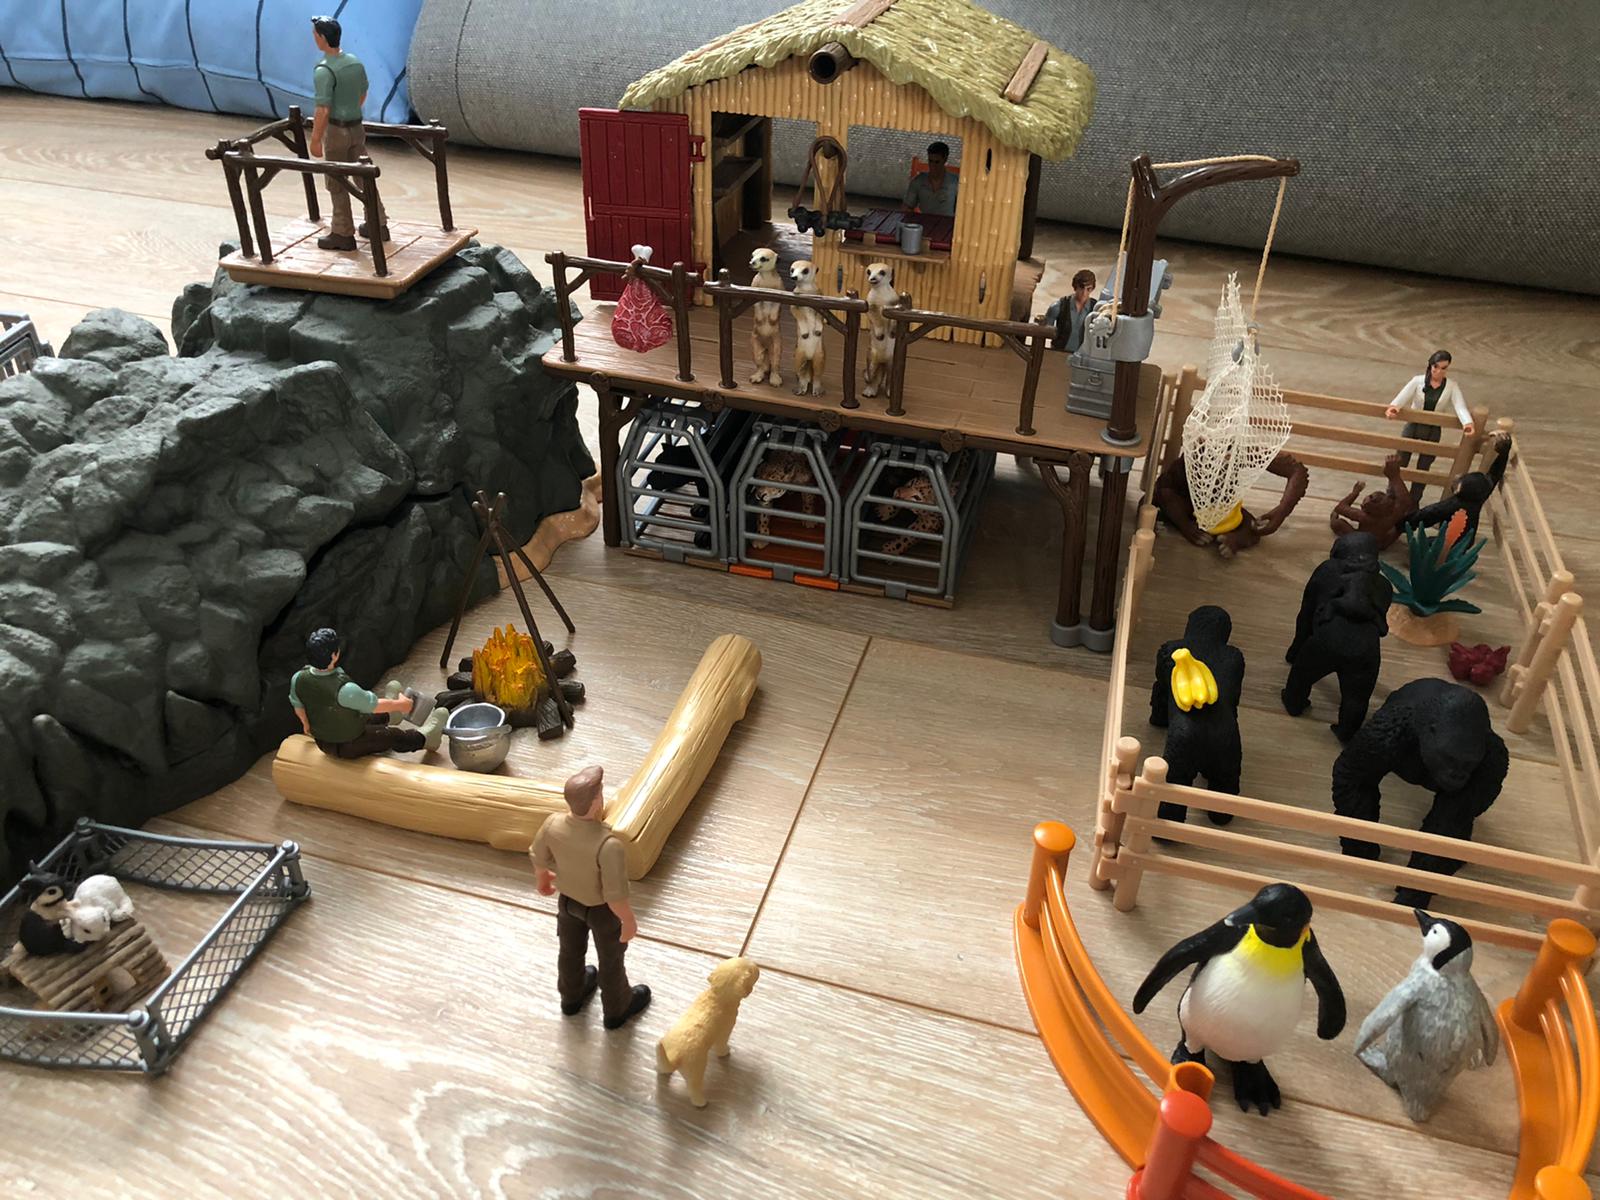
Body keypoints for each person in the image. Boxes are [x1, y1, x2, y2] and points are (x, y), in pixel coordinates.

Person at [530, 766, 653, 1029]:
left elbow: (538, 856)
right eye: (601, 794)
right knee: (611, 959)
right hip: (602, 912)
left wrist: (543, 881)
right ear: (597, 801)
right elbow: (615, 894)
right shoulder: (608, 845)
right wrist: (628, 920)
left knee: (569, 951)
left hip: (567, 903)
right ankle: (617, 1008)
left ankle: (571, 996)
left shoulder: (552, 824)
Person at [289, 627, 447, 759]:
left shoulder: (298, 678)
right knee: (392, 735)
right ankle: (426, 738)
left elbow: (298, 705)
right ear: (334, 655)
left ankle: (392, 715)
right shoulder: (345, 690)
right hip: (348, 745)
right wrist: (401, 704)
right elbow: (375, 705)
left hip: (323, 741)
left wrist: (306, 724)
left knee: (362, 715)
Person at [308, 16, 387, 251]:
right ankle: (378, 223)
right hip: (356, 127)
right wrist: (351, 110)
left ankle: (342, 232)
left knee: (336, 180)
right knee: (363, 176)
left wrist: (315, 139)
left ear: (323, 38)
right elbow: (363, 93)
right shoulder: (354, 62)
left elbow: (323, 109)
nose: (314, 38)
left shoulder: (323, 70)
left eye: (315, 35)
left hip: (336, 130)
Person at [1385, 350, 1472, 504]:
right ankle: (1391, 496)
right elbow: (1402, 396)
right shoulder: (1417, 381)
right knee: (1400, 460)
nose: (1439, 371)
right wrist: (1394, 408)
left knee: (1424, 466)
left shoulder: (1451, 386)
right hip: (1413, 424)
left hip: (1433, 429)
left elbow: (1460, 406)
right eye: (1436, 367)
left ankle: (1414, 501)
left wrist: (1467, 423)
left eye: (1443, 368)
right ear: (1431, 366)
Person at [1046, 269, 1099, 353]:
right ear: (1075, 287)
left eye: (1088, 289)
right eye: (1081, 288)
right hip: (1059, 352)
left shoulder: (1096, 309)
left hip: (1084, 355)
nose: (1084, 293)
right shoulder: (1059, 306)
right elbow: (1045, 332)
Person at [903, 141, 959, 217]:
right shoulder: (918, 181)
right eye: (930, 161)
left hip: (947, 222)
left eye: (937, 162)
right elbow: (907, 207)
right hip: (925, 222)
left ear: (945, 160)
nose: (933, 166)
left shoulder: (955, 182)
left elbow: (962, 210)